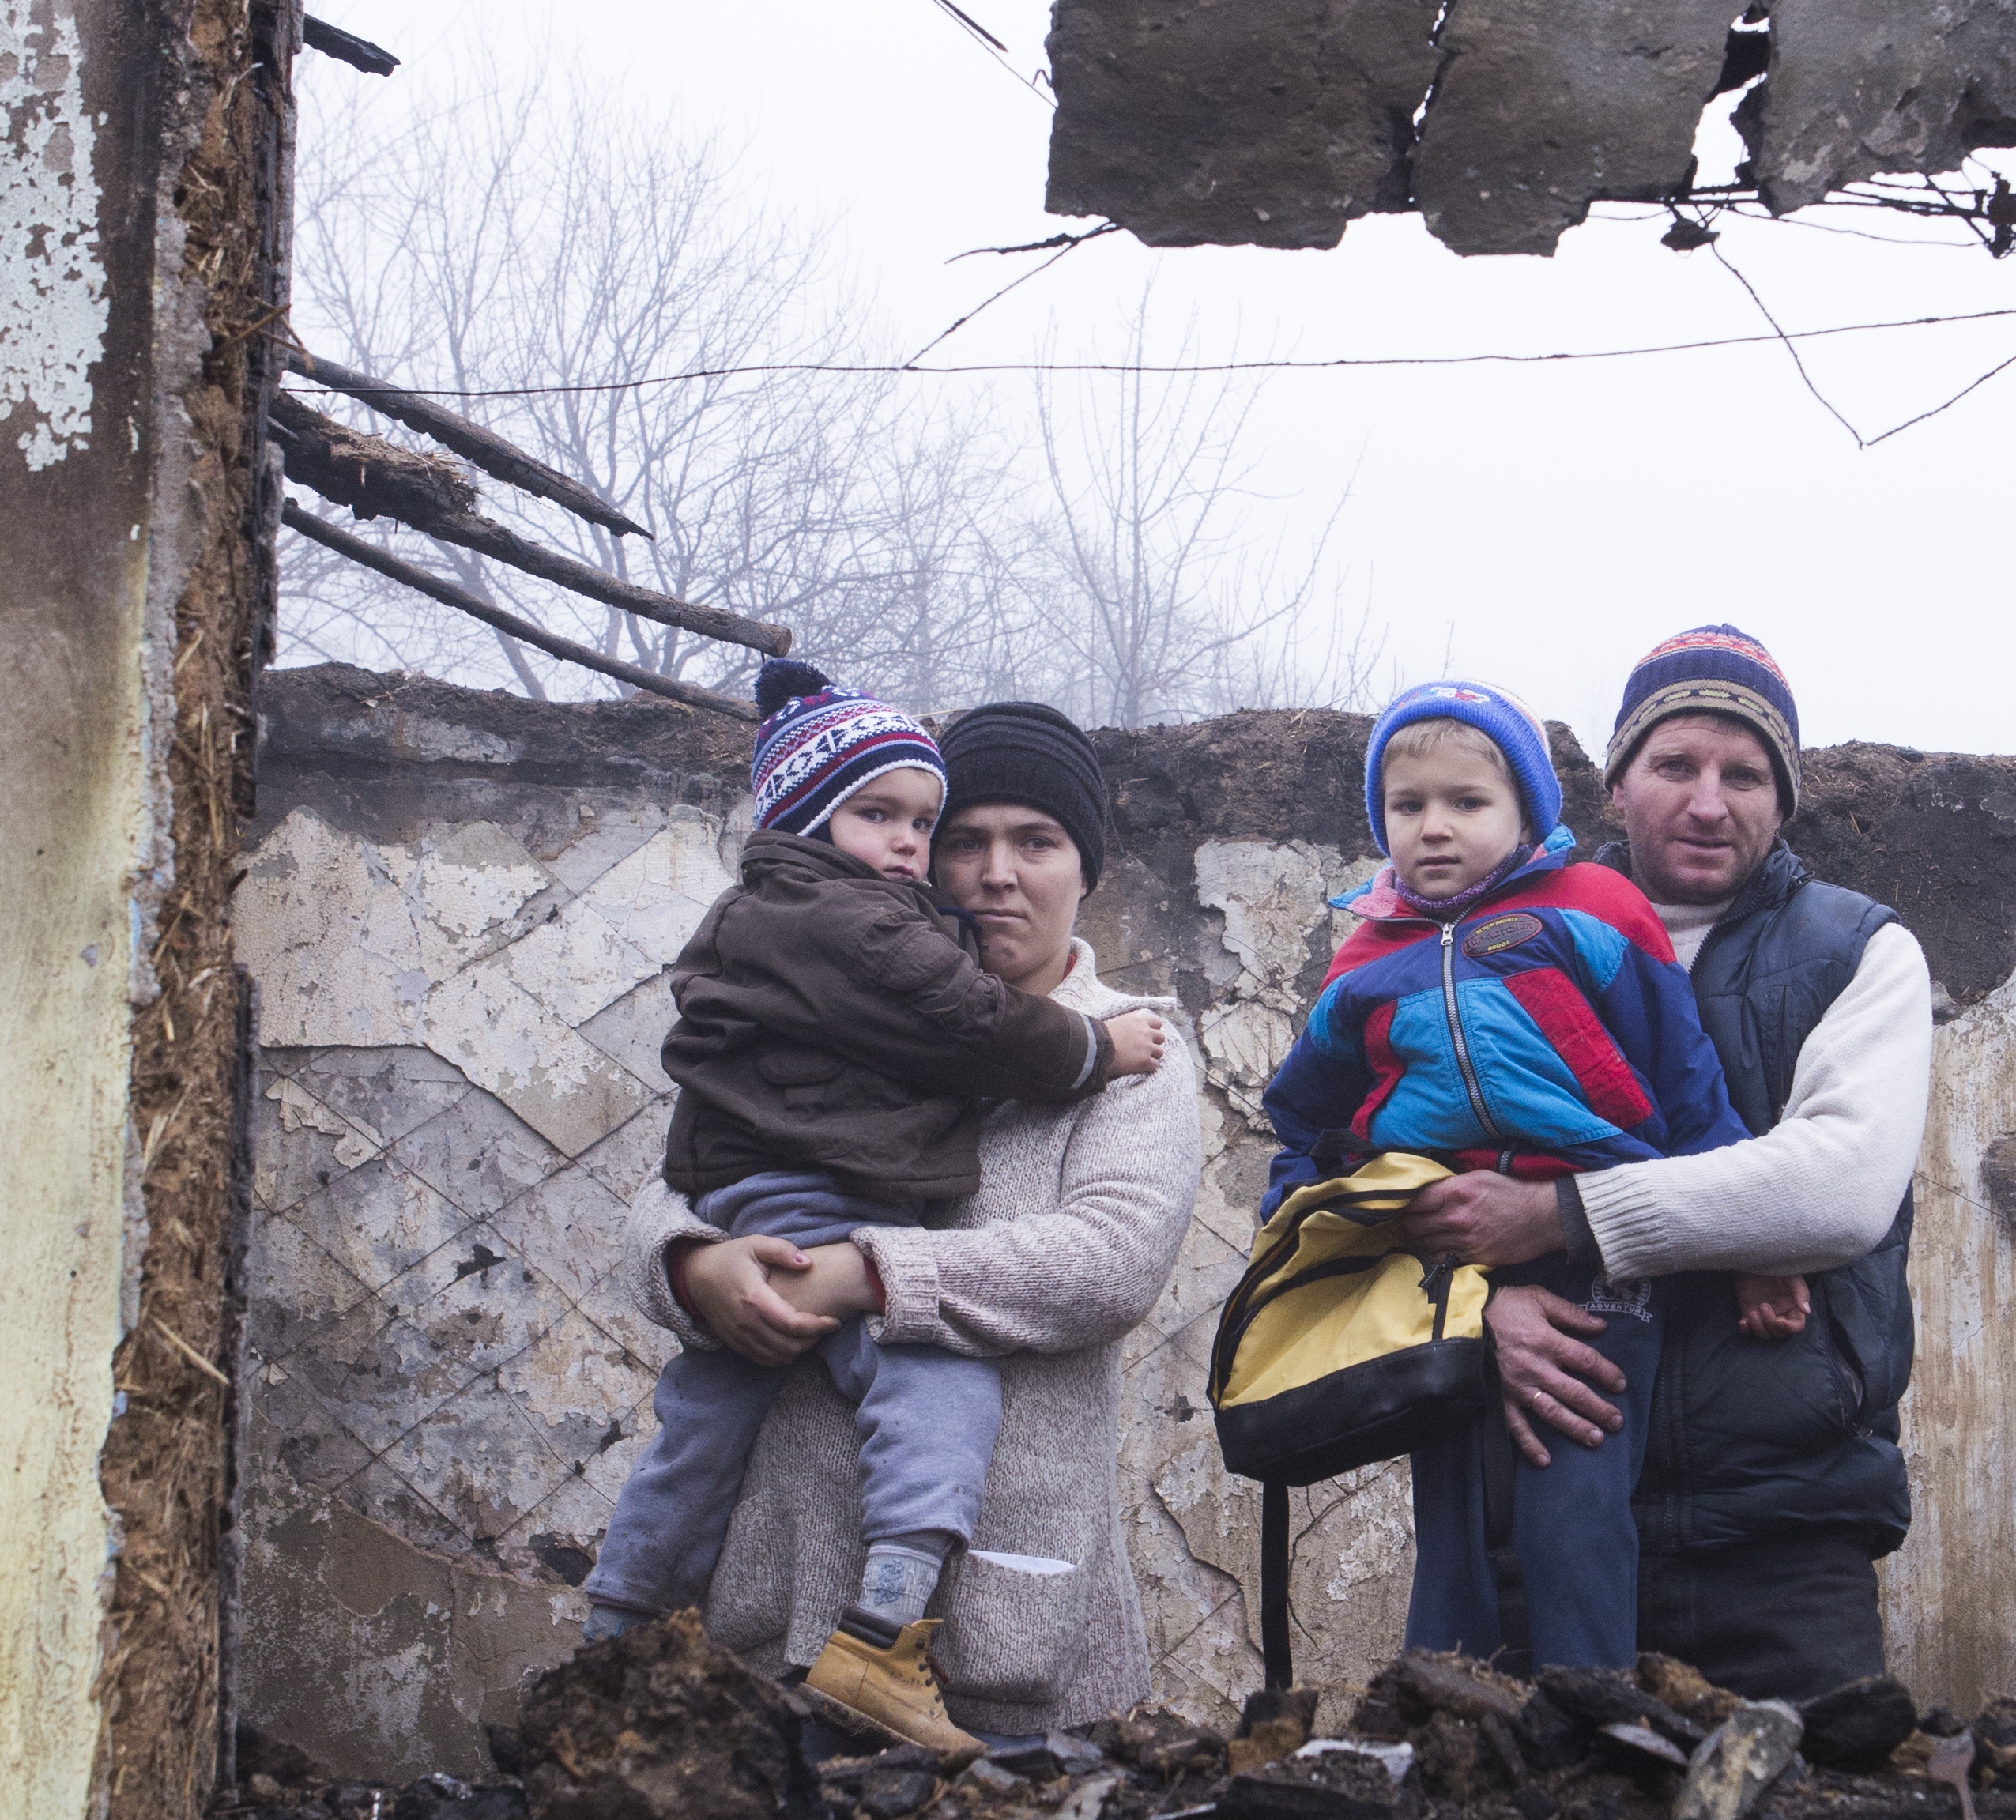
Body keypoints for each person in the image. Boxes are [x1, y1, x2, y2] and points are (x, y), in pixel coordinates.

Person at [586, 665, 1166, 1758]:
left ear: (1088, 869)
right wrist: (690, 1268)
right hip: (773, 1605)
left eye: (1036, 842)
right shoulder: (830, 987)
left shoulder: (1135, 1048)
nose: (993, 873)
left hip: (1007, 1634)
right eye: (964, 839)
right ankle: (619, 1633)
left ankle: (877, 1632)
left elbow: (1110, 1264)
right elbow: (684, 1181)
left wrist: (864, 1275)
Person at [1404, 627, 1933, 1702]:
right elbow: (1378, 1186)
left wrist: (1561, 1218)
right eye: (1674, 766)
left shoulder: (1857, 951)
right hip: (1540, 1519)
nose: (1707, 802)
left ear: (1784, 801)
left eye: (1744, 774)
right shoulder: (1475, 944)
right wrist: (1473, 1306)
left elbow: (1838, 1190)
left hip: (1786, 1548)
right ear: (1614, 786)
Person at [1257, 680, 1806, 1673]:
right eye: (1407, 805)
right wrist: (1295, 1235)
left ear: (1526, 812)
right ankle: (1437, 1728)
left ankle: (1591, 1714)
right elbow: (1304, 1121)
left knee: (1575, 1499)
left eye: (1466, 803)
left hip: (1600, 1249)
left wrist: (1754, 1253)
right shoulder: (1361, 965)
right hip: (1447, 1277)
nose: (1433, 828)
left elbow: (1686, 1087)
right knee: (1453, 1522)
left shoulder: (1594, 911)